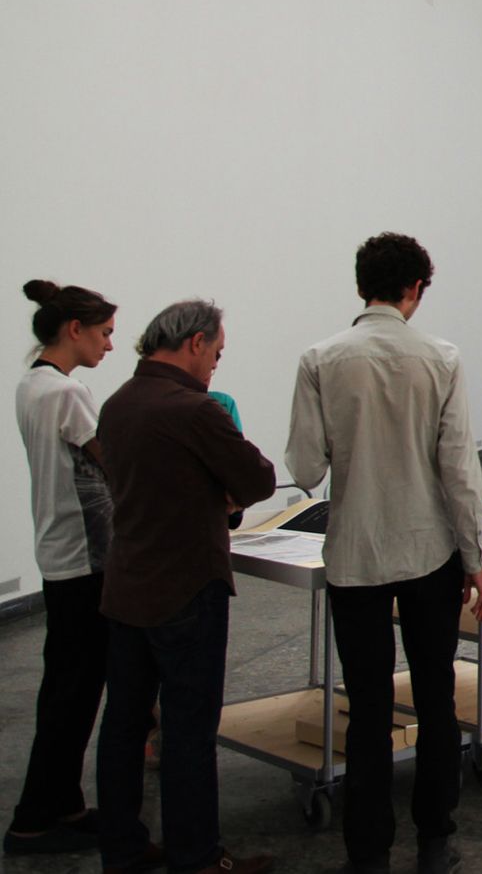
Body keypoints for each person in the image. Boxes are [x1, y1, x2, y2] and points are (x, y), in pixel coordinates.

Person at [286, 233, 482, 874]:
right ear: (416, 289)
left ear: (361, 286)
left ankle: (367, 851)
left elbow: (303, 467)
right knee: (435, 696)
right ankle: (435, 838)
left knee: (368, 704)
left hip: (356, 553)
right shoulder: (442, 358)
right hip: (430, 553)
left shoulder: (320, 358)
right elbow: (459, 469)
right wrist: (476, 557)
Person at [95, 300, 277, 874]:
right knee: (189, 729)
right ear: (195, 342)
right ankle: (196, 857)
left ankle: (121, 848)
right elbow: (259, 478)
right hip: (185, 588)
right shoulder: (194, 411)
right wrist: (219, 493)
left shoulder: (118, 403)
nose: (215, 367)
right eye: (216, 355)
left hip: (125, 587)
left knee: (124, 726)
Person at [6, 281, 117, 857]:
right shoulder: (70, 396)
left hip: (58, 554)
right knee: (73, 696)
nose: (109, 345)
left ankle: (66, 804)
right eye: (103, 333)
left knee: (66, 687)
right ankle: (29, 821)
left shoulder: (32, 384)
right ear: (74, 329)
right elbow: (114, 464)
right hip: (85, 559)